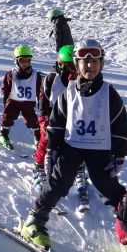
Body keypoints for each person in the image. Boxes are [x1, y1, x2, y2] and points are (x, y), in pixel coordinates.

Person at [21, 38, 127, 248]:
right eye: (84, 61)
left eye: (94, 61)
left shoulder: (109, 94)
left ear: (101, 63)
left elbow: (120, 124)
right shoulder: (69, 92)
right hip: (71, 145)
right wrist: (51, 149)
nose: (89, 65)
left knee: (108, 185)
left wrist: (120, 153)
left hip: (99, 147)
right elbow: (57, 122)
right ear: (77, 64)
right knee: (58, 182)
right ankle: (34, 221)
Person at [31, 44, 77, 189]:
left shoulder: (80, 80)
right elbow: (43, 100)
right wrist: (44, 119)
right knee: (45, 140)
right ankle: (38, 166)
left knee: (77, 142)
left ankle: (78, 167)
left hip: (72, 118)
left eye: (77, 66)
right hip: (51, 117)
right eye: (72, 67)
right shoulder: (52, 79)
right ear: (62, 65)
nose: (75, 71)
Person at [0, 45, 43, 150]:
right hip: (14, 102)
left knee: (32, 120)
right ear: (16, 60)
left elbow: (39, 89)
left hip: (28, 102)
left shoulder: (36, 75)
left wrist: (40, 100)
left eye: (28, 60)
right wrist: (5, 102)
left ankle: (38, 137)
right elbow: (5, 89)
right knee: (7, 117)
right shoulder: (11, 74)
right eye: (22, 61)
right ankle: (3, 134)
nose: (25, 64)